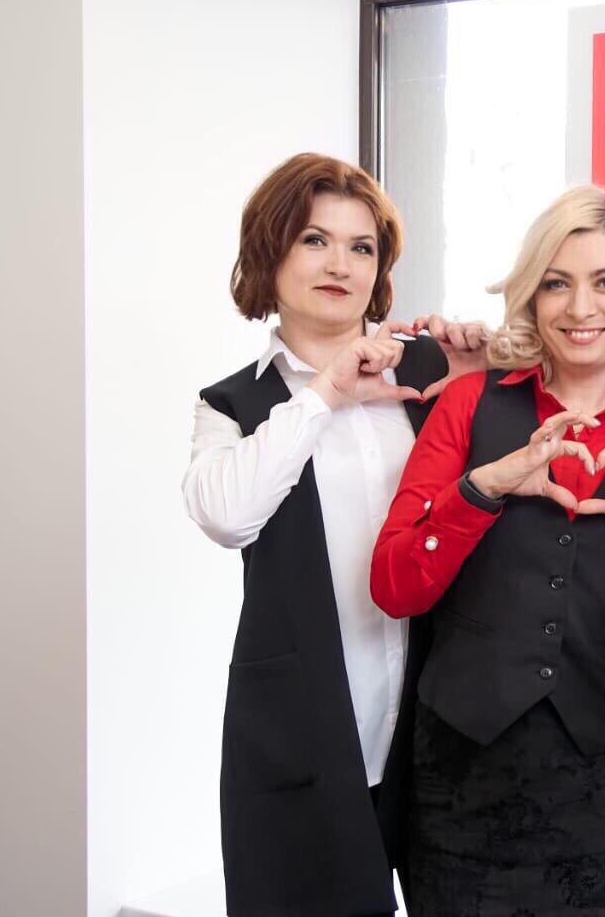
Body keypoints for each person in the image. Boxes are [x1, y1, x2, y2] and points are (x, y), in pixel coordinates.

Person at [370, 185, 605, 916]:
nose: (580, 308)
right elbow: (394, 586)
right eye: (557, 283)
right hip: (466, 801)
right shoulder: (468, 406)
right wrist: (482, 489)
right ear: (532, 293)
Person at [182, 153, 485, 917]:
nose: (340, 265)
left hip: (432, 737)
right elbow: (226, 514)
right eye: (315, 240)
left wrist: (484, 372)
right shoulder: (234, 404)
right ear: (271, 251)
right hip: (297, 746)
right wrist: (325, 392)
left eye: (361, 247)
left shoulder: (428, 377)